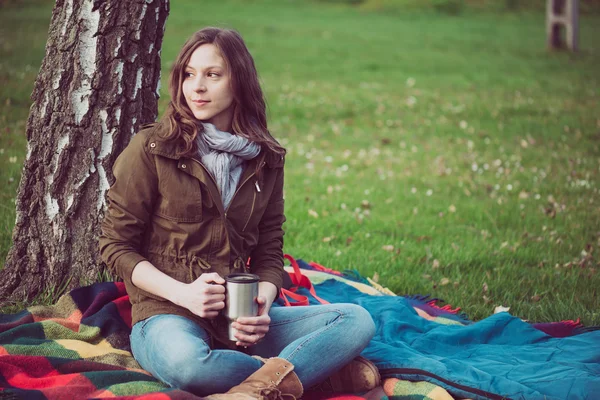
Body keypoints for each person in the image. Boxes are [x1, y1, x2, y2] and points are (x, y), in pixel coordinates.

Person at [99, 27, 378, 400]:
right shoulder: (151, 149)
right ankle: (317, 377)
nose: (197, 87)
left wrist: (262, 299)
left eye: (212, 75)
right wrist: (185, 294)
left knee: (355, 320)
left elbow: (269, 247)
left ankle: (256, 389)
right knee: (189, 367)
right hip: (167, 314)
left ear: (239, 83)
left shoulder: (266, 159)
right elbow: (116, 246)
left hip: (238, 319)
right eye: (189, 74)